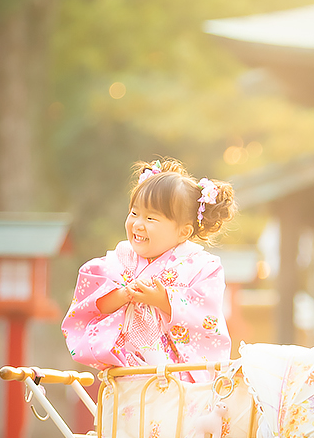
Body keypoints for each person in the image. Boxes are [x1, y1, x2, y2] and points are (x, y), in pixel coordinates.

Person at [62, 158, 235, 370]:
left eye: (151, 219)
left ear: (184, 231)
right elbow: (91, 306)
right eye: (134, 213)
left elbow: (207, 315)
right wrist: (123, 295)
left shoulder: (201, 266)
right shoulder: (119, 259)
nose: (138, 224)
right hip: (123, 374)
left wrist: (164, 300)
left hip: (174, 381)